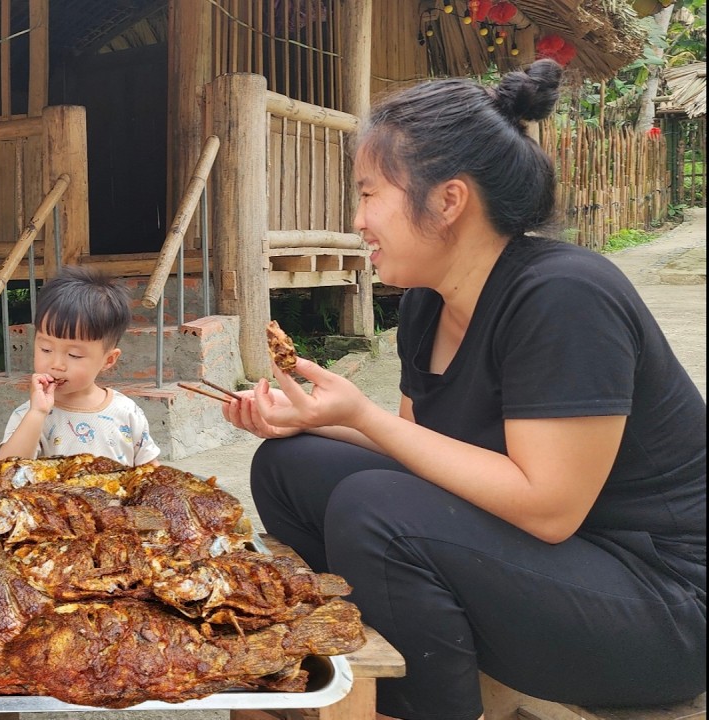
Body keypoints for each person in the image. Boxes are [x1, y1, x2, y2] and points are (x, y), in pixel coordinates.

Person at [223, 60, 705, 719]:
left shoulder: (565, 296)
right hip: (555, 565)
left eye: (369, 194)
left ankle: (427, 705)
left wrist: (363, 414)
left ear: (448, 201)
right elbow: (421, 448)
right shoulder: (427, 304)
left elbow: (549, 507)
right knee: (291, 465)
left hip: (660, 604)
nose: (358, 218)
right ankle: (370, 652)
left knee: (375, 508)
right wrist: (312, 418)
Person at [0, 265, 160, 465]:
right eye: (46, 349)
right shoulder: (29, 416)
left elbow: (152, 474)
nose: (56, 365)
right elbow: (5, 469)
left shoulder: (126, 412)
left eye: (74, 355)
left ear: (108, 360)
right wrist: (37, 413)